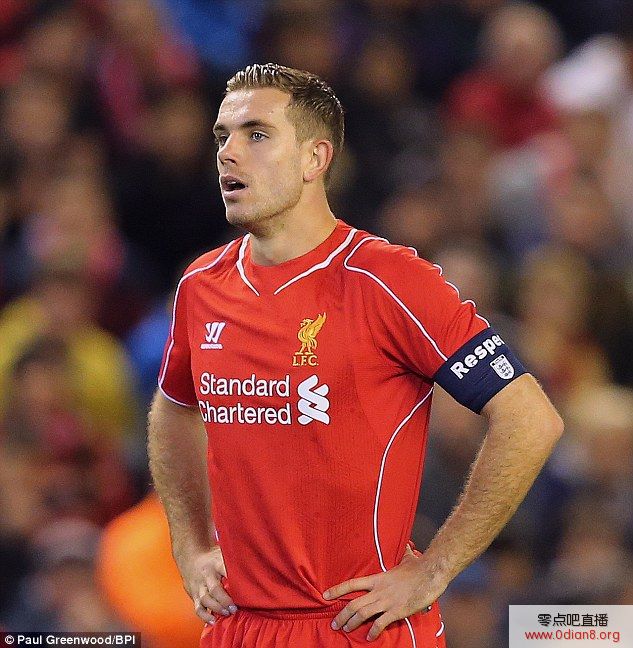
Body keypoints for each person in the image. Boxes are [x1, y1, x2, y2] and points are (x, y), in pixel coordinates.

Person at [147, 63, 563, 647]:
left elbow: (530, 417)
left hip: (358, 625)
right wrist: (189, 545)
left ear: (315, 159)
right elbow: (173, 409)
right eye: (223, 136)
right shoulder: (202, 285)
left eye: (256, 134)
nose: (228, 154)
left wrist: (436, 568)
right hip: (239, 625)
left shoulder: (387, 281)